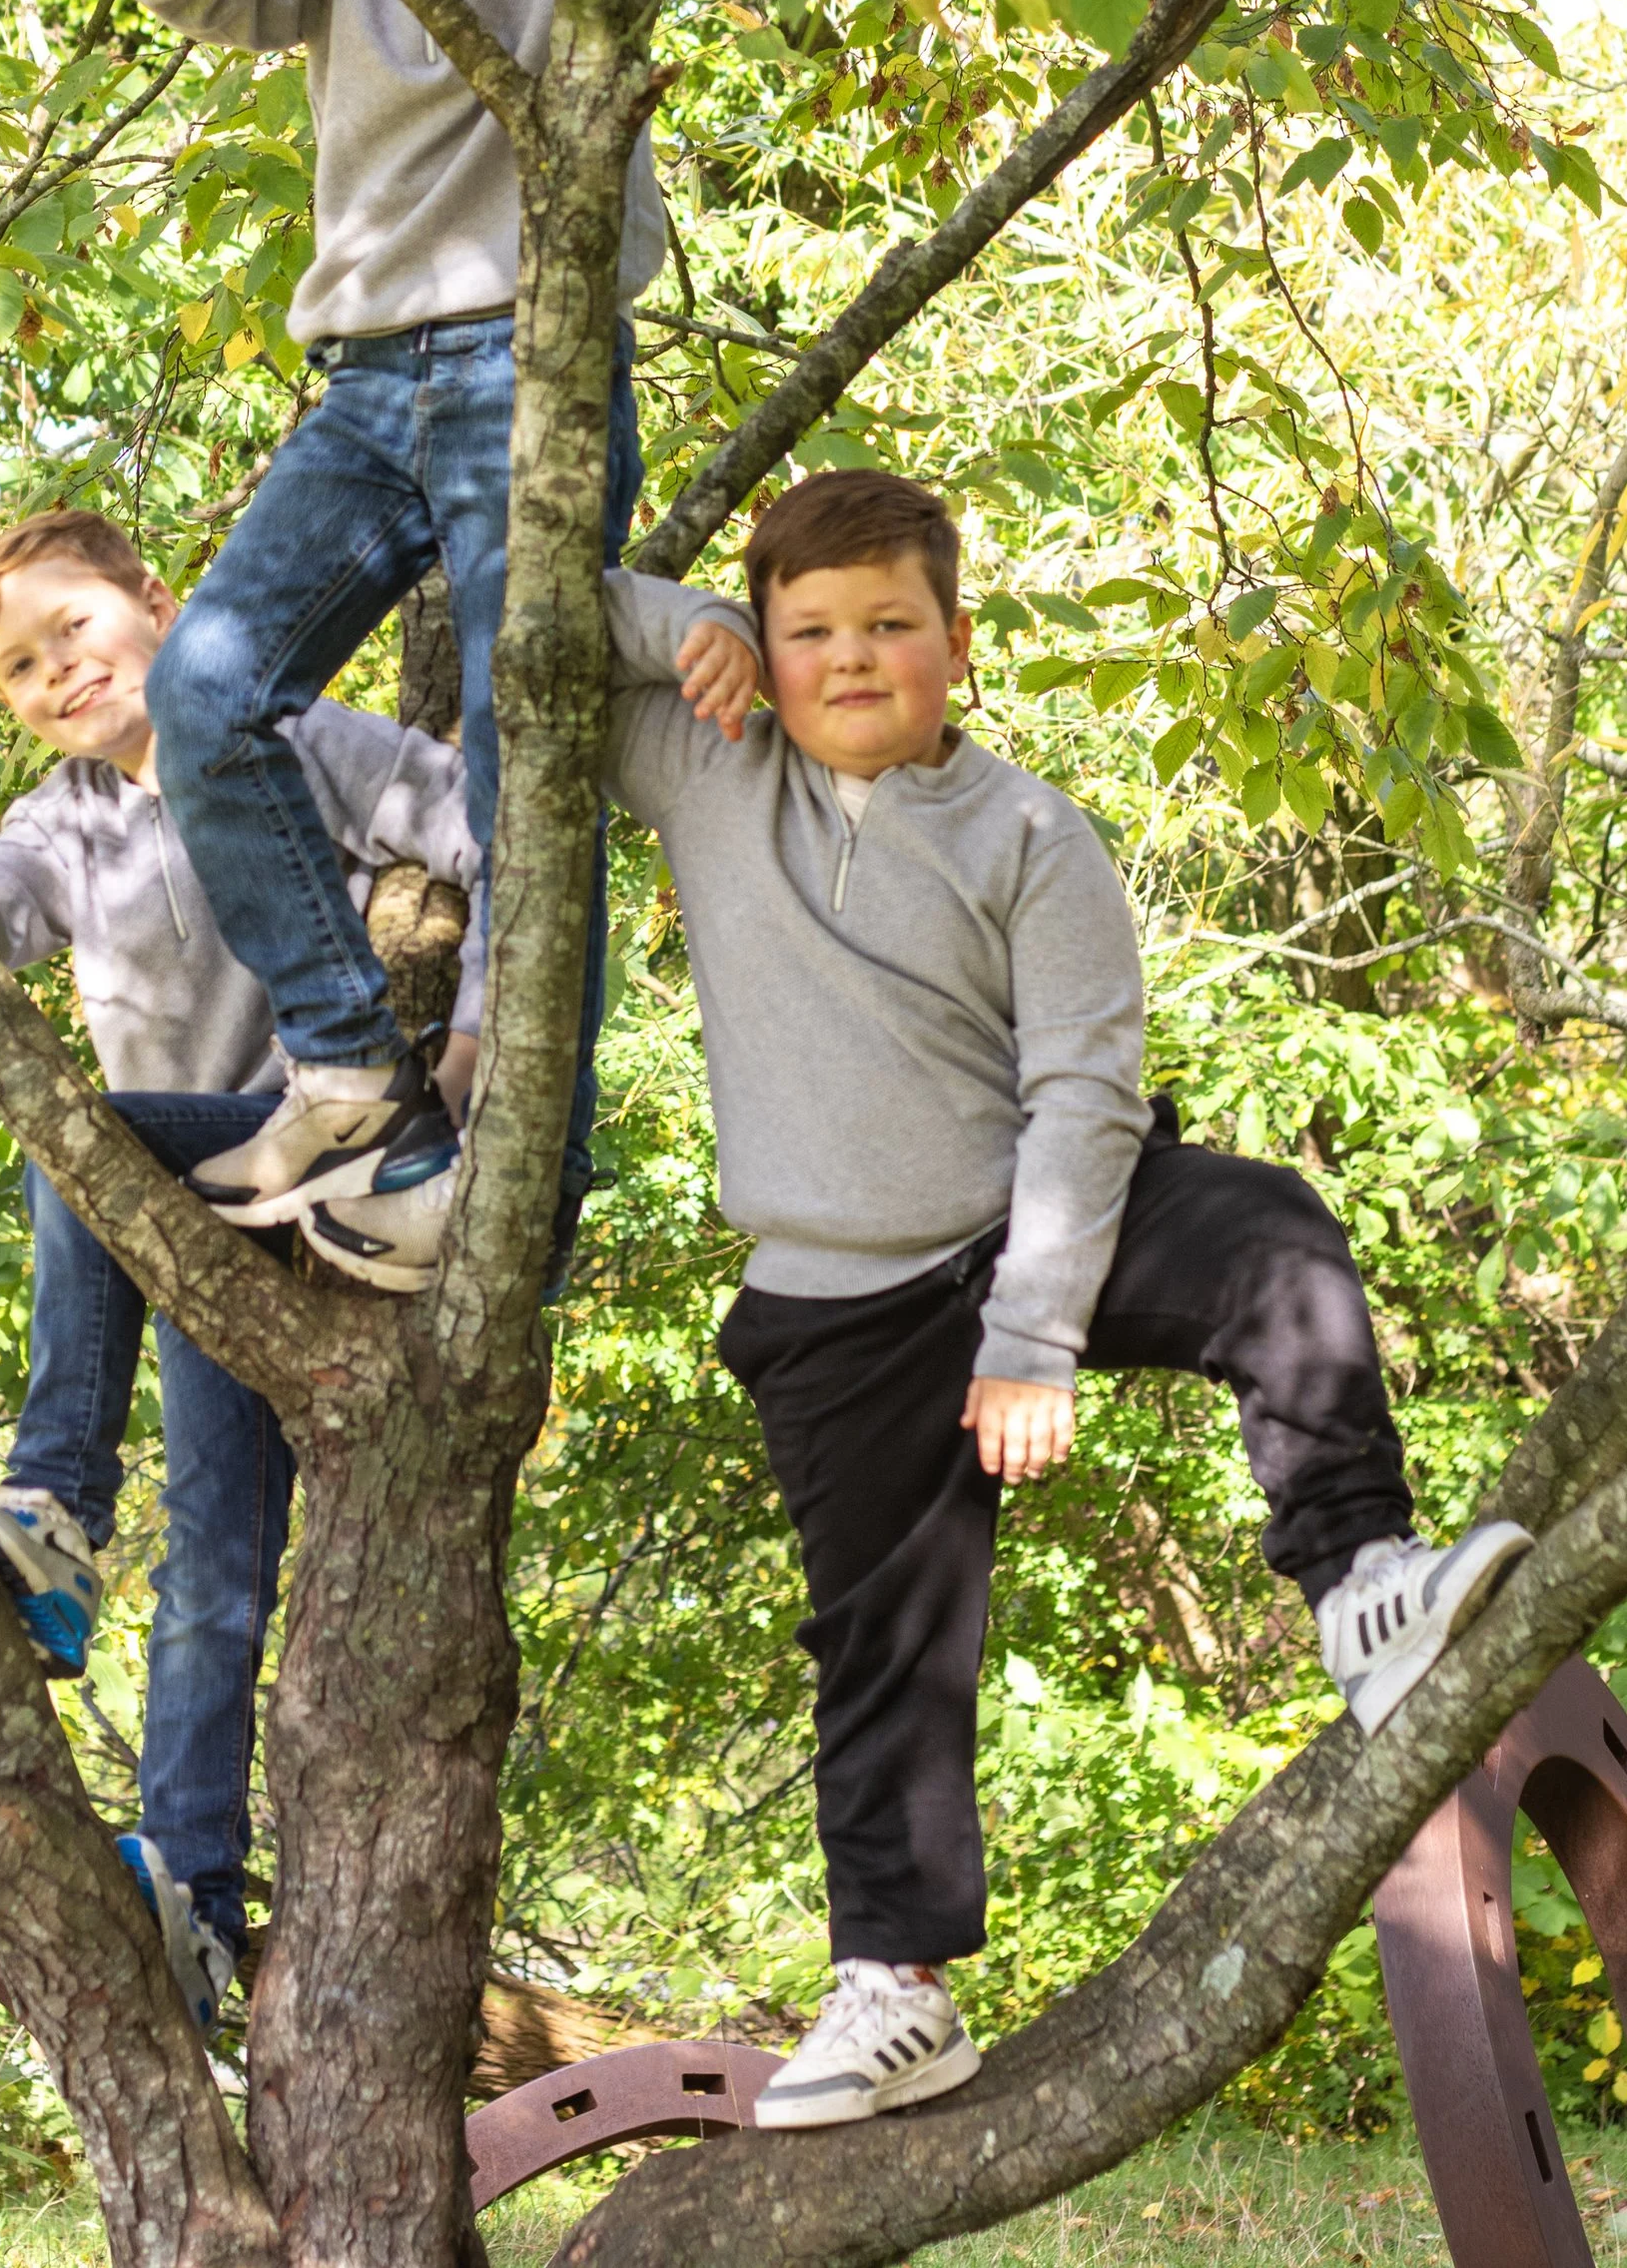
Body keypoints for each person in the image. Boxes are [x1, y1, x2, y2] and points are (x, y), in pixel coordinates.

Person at [602, 467, 1534, 2131]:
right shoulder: (702, 762)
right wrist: (693, 628)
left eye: (891, 623)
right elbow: (518, 616)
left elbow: (1088, 1090)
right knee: (881, 1647)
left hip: (1034, 1221)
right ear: (764, 643)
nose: (850, 656)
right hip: (836, 1295)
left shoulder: (1031, 833)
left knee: (1272, 1233)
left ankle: (1361, 1578)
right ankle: (895, 1988)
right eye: (807, 629)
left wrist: (1031, 1335)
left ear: (958, 642)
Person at [105, 0, 784, 1294]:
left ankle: (506, 1181)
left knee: (520, 764)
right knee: (206, 686)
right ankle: (344, 1064)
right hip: (362, 393)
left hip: (526, 372)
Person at [0, 507, 486, 2021]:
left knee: (84, 1133)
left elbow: (499, 834)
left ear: (159, 602)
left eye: (74, 625)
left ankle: (60, 1498)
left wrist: (473, 1053)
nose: (56, 669)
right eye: (18, 663)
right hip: (201, 1211)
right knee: (215, 1557)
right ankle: (196, 1897)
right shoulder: (68, 816)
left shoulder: (286, 732)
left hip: (322, 1151)